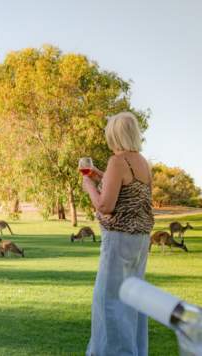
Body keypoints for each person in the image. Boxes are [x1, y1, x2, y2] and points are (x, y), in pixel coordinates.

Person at [82, 112, 154, 356]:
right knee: (133, 300)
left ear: (114, 134)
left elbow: (105, 206)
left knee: (108, 301)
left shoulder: (119, 161)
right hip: (140, 240)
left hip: (119, 238)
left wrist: (89, 186)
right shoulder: (142, 162)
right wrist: (101, 175)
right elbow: (129, 191)